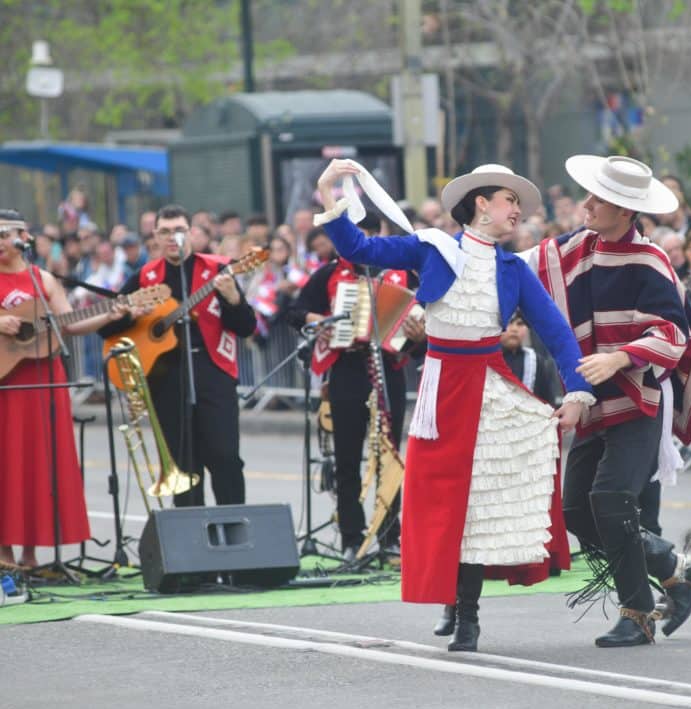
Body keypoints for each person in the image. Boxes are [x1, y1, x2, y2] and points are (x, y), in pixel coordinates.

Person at [314, 159, 594, 653]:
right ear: (482, 203)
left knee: (481, 505)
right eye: (510, 201)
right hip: (442, 391)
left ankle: (468, 615)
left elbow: (555, 331)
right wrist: (328, 196)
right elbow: (359, 248)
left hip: (490, 386)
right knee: (444, 504)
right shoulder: (431, 247)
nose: (519, 212)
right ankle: (453, 598)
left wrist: (577, 392)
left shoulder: (513, 268)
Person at [525, 155, 691, 647]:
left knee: (611, 499)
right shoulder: (572, 250)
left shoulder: (650, 261)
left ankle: (637, 614)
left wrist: (619, 359)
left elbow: (672, 334)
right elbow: (517, 272)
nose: (586, 204)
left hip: (640, 395)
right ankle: (672, 567)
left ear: (626, 211)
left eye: (598, 198)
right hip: (590, 397)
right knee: (575, 510)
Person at [0, 210, 141, 569]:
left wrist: (107, 315)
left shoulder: (42, 277)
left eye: (5, 235)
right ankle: (3, 552)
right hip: (6, 380)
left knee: (37, 460)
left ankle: (30, 553)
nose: (0, 242)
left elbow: (68, 324)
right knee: (7, 461)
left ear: (23, 238)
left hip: (43, 379)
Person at [98, 205, 257, 507]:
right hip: (165, 378)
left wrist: (233, 299)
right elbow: (108, 329)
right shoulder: (145, 277)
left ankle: (234, 529)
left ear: (191, 232)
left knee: (225, 456)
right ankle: (192, 540)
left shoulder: (218, 269)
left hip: (213, 372)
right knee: (182, 462)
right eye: (165, 232)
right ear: (155, 236)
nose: (173, 238)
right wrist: (131, 315)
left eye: (179, 230)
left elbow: (246, 326)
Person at [287, 223, 422, 561]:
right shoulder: (330, 274)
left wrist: (419, 334)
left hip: (388, 370)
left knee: (389, 456)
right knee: (347, 457)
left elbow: (425, 330)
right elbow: (293, 311)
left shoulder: (403, 275)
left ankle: (391, 536)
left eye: (366, 238)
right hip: (346, 367)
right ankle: (352, 536)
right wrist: (320, 317)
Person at [500, 311, 557, 404]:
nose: (514, 329)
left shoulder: (535, 360)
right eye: (509, 322)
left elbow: (548, 400)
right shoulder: (487, 360)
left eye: (520, 324)